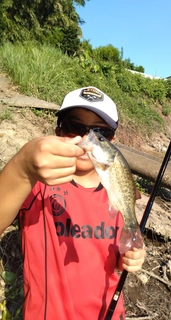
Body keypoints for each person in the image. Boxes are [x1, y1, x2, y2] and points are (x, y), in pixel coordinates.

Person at [0, 86, 146, 320]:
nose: (85, 138)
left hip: (106, 312)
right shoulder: (36, 183)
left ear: (113, 141)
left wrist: (130, 257)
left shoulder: (117, 191)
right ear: (58, 131)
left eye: (100, 133)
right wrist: (22, 167)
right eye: (74, 128)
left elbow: (116, 258)